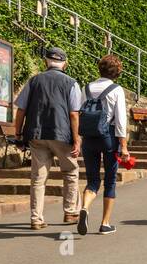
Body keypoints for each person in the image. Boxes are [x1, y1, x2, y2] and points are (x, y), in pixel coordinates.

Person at [13, 46, 83, 231]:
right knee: (70, 172)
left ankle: (36, 218)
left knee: (38, 178)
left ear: (46, 62)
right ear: (65, 64)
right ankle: (70, 212)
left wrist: (18, 134)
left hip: (36, 135)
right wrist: (77, 139)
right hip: (62, 135)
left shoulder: (34, 81)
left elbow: (21, 110)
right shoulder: (71, 83)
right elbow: (74, 114)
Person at [78, 54, 130, 237]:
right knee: (110, 180)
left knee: (92, 180)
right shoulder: (116, 90)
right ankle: (105, 223)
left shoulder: (86, 88)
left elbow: (80, 112)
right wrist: (123, 146)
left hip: (89, 137)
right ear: (117, 72)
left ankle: (84, 207)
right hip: (108, 136)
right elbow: (121, 120)